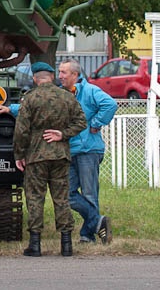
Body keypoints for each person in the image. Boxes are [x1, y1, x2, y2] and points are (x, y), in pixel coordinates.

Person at [12, 61, 87, 257]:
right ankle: (66, 244)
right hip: (60, 155)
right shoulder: (66, 97)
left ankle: (35, 244)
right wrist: (63, 134)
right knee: (61, 198)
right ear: (52, 77)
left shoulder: (29, 98)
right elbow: (81, 121)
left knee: (35, 198)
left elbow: (21, 130)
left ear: (35, 79)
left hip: (36, 155)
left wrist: (19, 154)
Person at [57, 59, 117, 245]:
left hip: (88, 150)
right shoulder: (62, 94)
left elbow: (110, 104)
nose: (60, 76)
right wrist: (11, 108)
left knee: (90, 194)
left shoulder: (90, 91)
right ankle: (98, 222)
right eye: (59, 72)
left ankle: (87, 235)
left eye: (64, 72)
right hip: (70, 150)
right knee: (68, 194)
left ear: (75, 75)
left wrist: (96, 124)